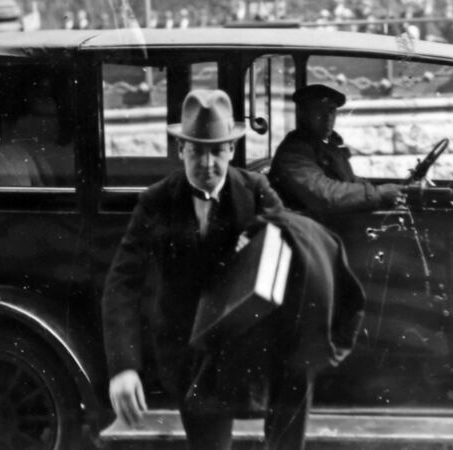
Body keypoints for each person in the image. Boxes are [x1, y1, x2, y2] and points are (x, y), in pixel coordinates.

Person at [103, 89, 313, 449]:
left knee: (297, 374)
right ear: (181, 150)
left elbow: (294, 245)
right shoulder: (156, 202)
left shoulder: (256, 190)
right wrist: (123, 367)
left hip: (250, 340)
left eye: (216, 151)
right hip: (192, 350)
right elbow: (122, 284)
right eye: (197, 151)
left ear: (231, 151)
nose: (207, 163)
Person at [268, 84, 404, 214]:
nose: (327, 117)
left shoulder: (327, 145)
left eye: (331, 110)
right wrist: (378, 193)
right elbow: (323, 195)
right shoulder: (294, 151)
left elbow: (345, 179)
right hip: (313, 226)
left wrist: (380, 189)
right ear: (303, 113)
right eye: (318, 110)